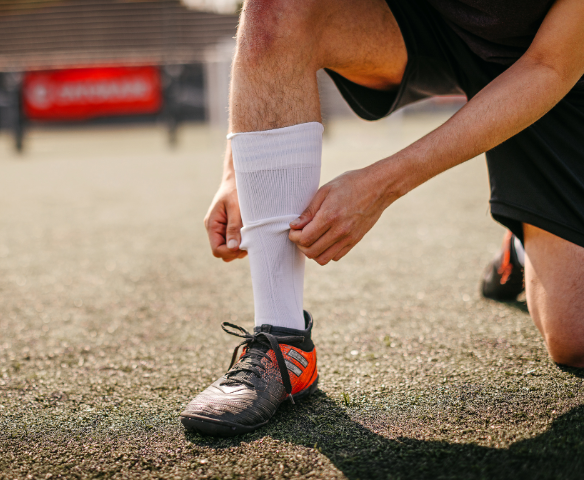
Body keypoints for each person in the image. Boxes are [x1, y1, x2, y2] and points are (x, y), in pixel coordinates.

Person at [180, 0, 584, 436]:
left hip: (550, 61)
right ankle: (284, 343)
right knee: (277, 8)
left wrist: (381, 184)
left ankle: (524, 241)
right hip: (421, 24)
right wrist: (238, 172)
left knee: (574, 339)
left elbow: (549, 66)